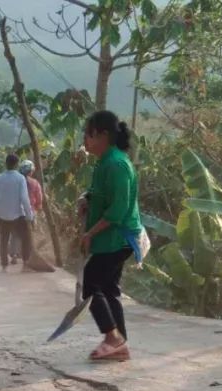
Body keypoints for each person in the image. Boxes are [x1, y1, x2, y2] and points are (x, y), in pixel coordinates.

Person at [78, 110, 143, 362]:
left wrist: (89, 233)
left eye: (89, 134)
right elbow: (98, 193)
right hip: (109, 239)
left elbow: (118, 210)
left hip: (118, 237)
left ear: (103, 135)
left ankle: (112, 337)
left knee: (91, 284)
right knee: (108, 287)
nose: (85, 139)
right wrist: (87, 199)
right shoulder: (104, 162)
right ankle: (119, 342)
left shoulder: (117, 164)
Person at [0, 153, 35, 271]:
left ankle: (4, 265)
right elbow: (24, 198)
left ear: (6, 164)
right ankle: (25, 263)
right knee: (25, 238)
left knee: (4, 239)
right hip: (17, 214)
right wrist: (29, 215)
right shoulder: (20, 178)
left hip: (2, 214)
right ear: (16, 165)